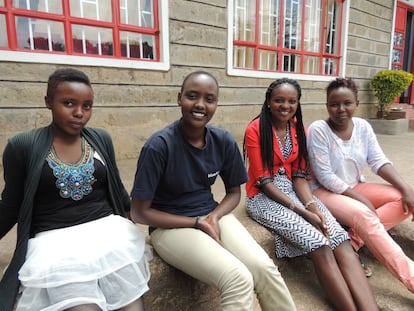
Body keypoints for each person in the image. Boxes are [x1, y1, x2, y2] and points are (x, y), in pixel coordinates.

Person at [130, 71, 297, 311]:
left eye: (209, 99)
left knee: (264, 269)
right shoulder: (159, 147)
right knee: (238, 278)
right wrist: (196, 223)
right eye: (192, 96)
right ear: (179, 98)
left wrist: (214, 217)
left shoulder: (222, 141)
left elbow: (233, 193)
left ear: (216, 104)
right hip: (170, 227)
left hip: (211, 215)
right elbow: (139, 213)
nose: (200, 104)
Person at [0, 68, 151, 311]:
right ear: (48, 102)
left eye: (87, 106)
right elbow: (10, 205)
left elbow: (119, 193)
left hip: (109, 237)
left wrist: (152, 215)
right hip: (54, 245)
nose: (79, 113)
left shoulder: (100, 139)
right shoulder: (22, 146)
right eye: (68, 103)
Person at [244, 78, 378, 311]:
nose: (285, 106)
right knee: (317, 241)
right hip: (264, 197)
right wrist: (303, 212)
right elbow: (263, 181)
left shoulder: (299, 130)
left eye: (291, 101)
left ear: (298, 104)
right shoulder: (255, 130)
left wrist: (311, 205)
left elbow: (299, 175)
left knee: (338, 237)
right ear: (268, 102)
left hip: (297, 192)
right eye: (279, 100)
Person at [307, 77, 414, 293]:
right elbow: (325, 175)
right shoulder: (319, 129)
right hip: (323, 191)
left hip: (354, 186)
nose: (340, 109)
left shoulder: (363, 127)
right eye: (334, 104)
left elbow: (378, 161)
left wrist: (407, 190)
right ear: (327, 105)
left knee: (402, 201)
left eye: (347, 103)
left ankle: (352, 242)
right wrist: (362, 200)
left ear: (356, 103)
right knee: (365, 215)